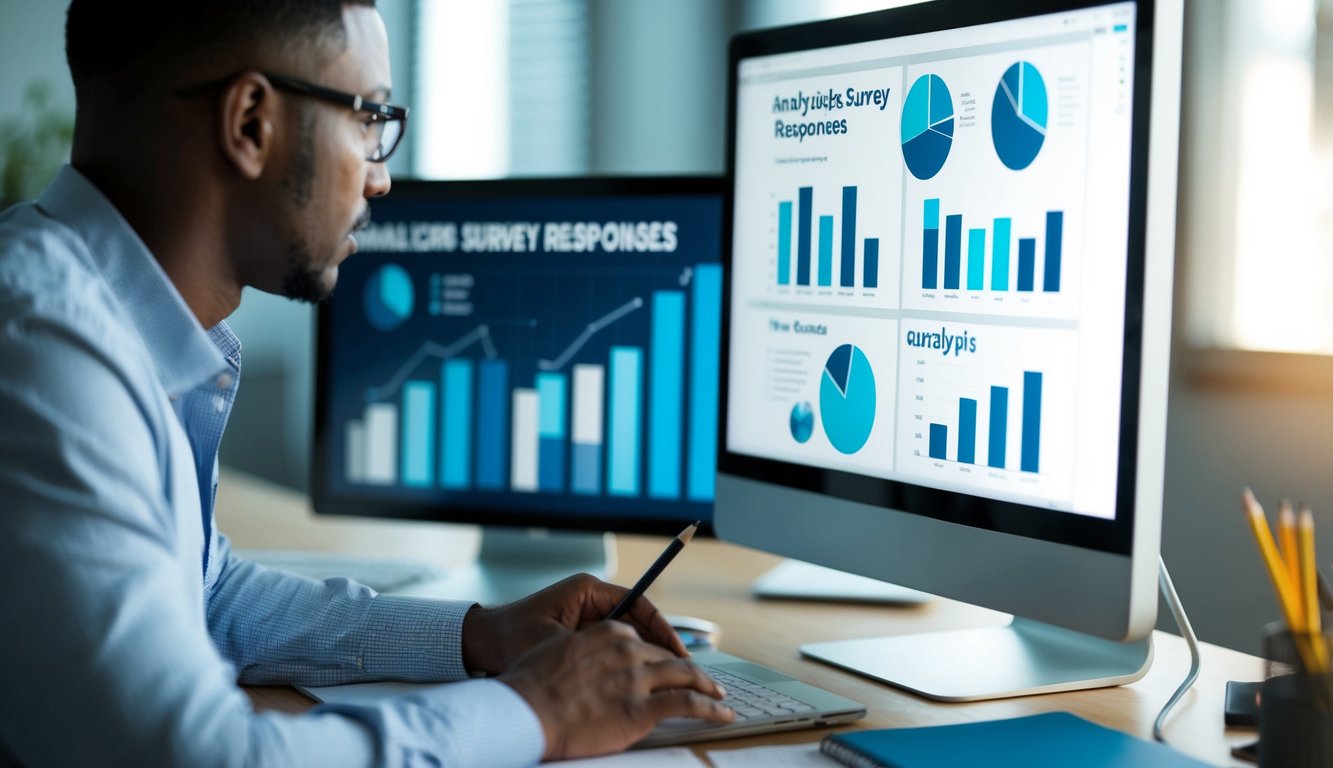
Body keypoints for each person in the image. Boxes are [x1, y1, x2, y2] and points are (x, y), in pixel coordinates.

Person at [0, 2, 733, 765]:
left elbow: (205, 594)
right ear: (251, 123)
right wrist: (535, 709)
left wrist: (478, 634)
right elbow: (201, 757)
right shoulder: (43, 348)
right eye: (369, 118)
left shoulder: (106, 318)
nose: (380, 178)